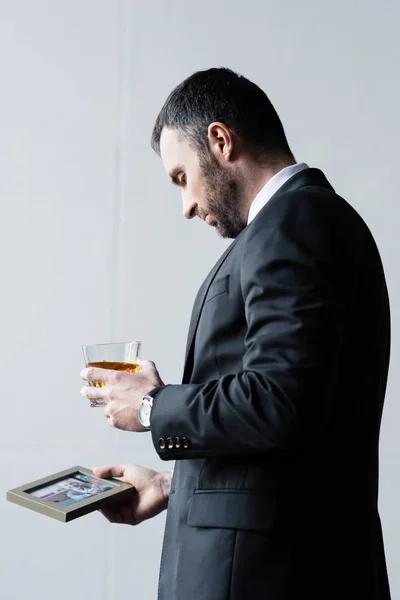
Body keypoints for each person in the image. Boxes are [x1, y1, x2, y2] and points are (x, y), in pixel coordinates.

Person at [80, 68, 391, 600]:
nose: (187, 206)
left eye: (181, 177)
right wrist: (172, 485)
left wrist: (156, 406)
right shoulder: (303, 223)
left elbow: (280, 399)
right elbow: (301, 439)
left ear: (220, 141)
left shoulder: (294, 223)